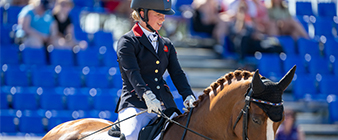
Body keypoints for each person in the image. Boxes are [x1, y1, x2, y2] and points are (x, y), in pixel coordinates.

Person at [114, 0, 196, 139]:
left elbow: (177, 73)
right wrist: (147, 95)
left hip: (165, 106)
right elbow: (132, 73)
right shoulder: (127, 42)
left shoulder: (166, 44)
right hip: (136, 105)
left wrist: (188, 95)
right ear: (142, 14)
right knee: (130, 136)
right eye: (158, 14)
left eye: (163, 14)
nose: (163, 18)